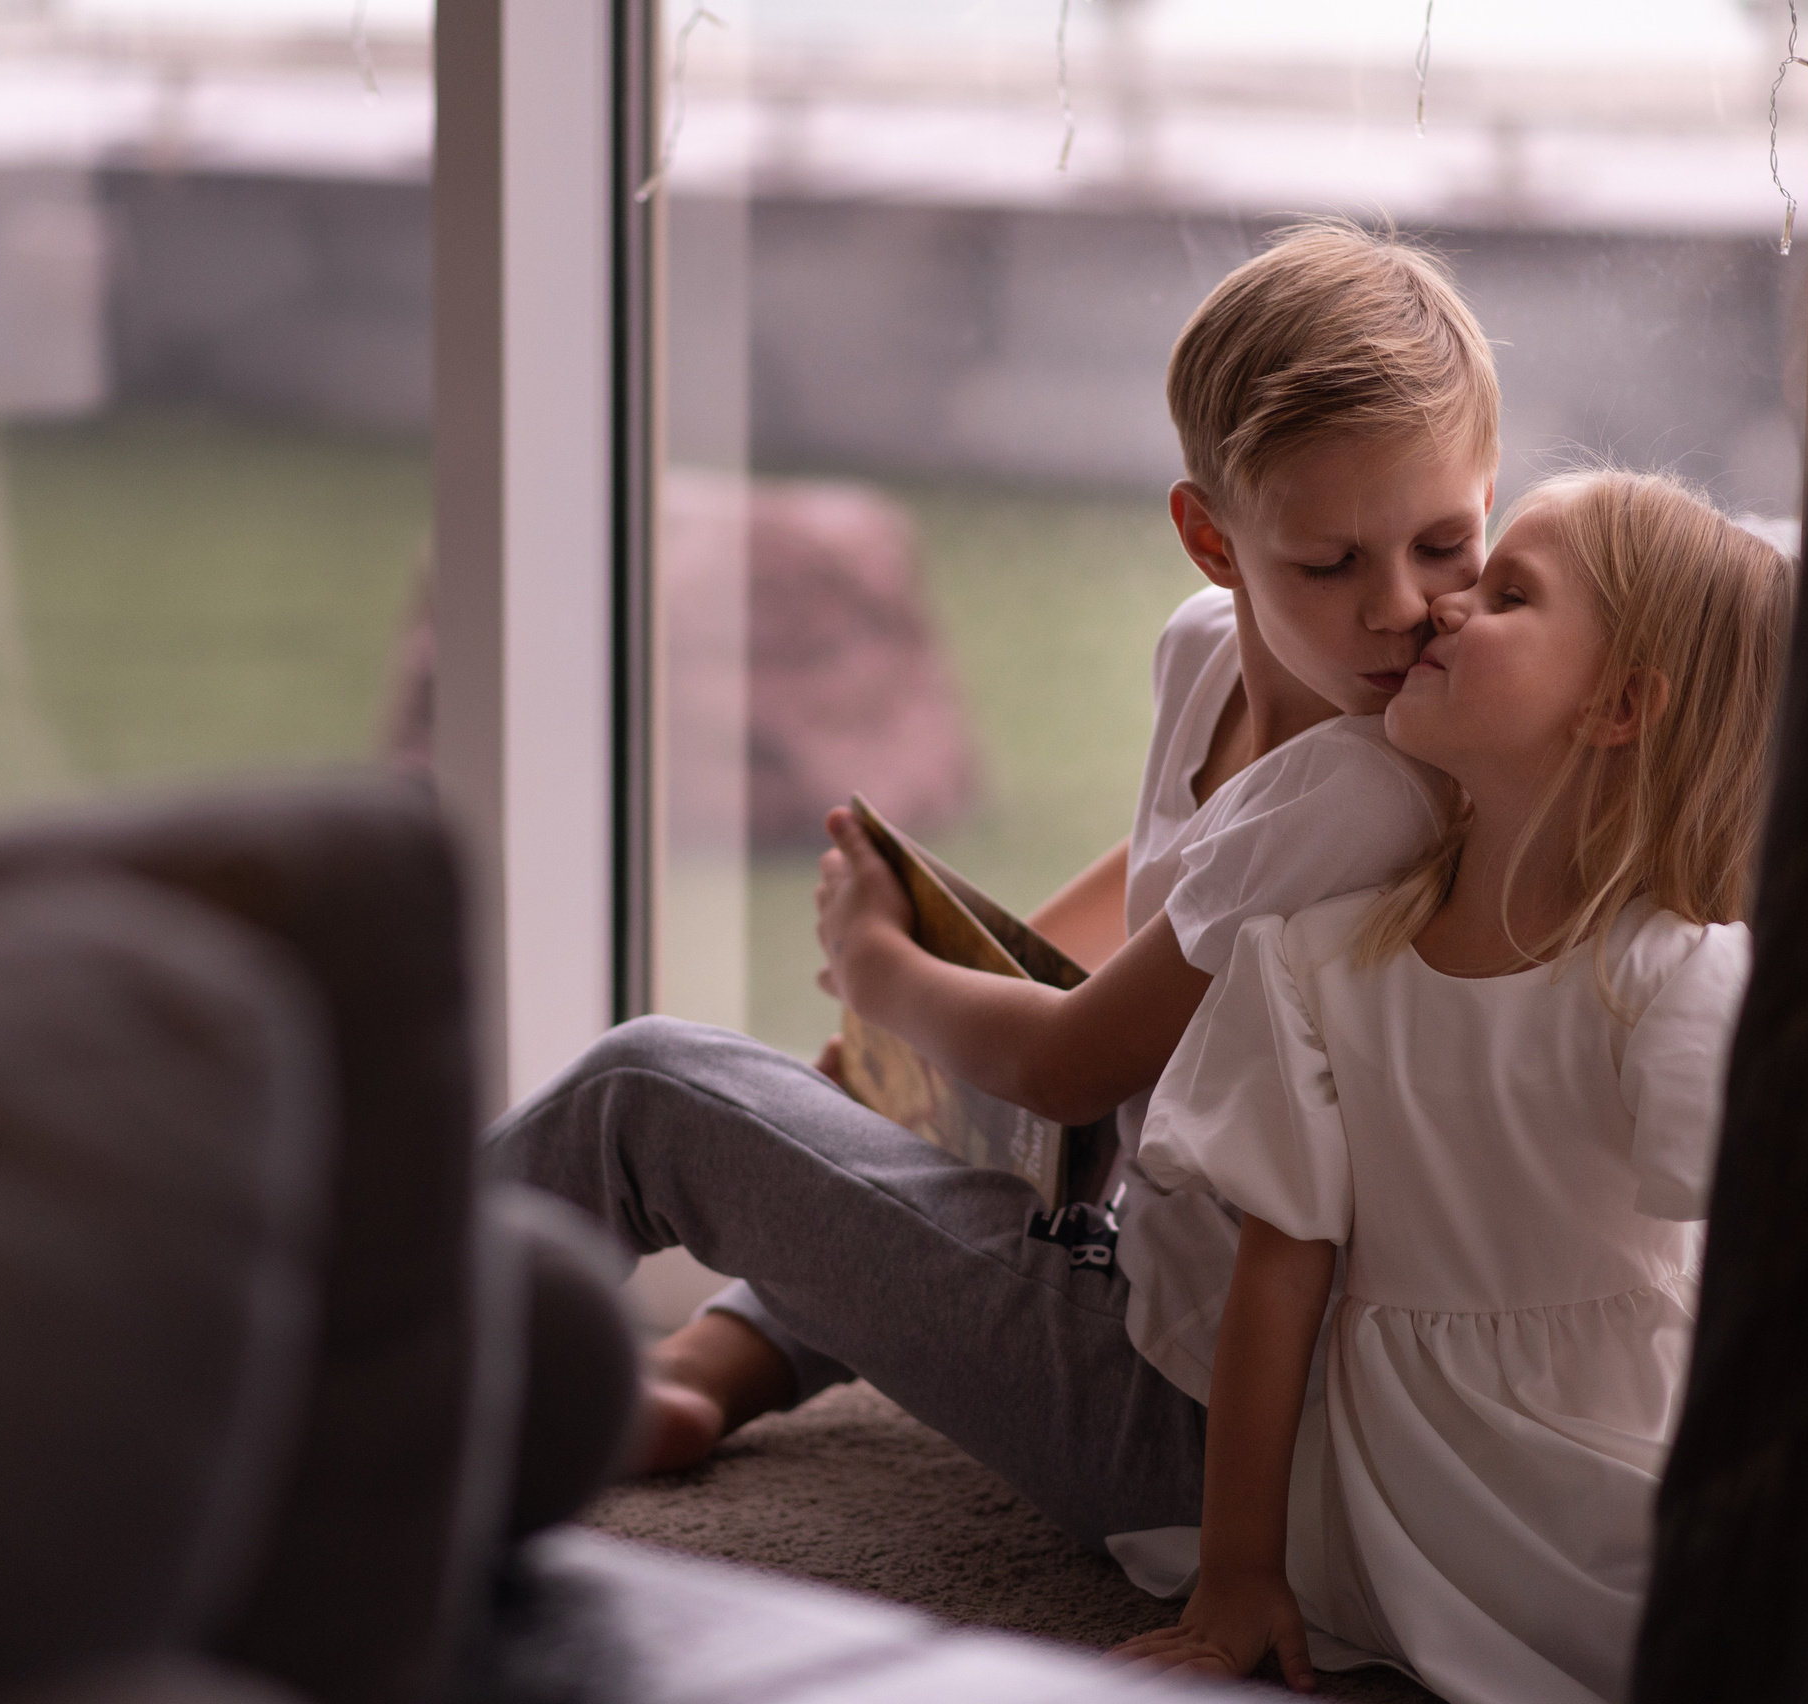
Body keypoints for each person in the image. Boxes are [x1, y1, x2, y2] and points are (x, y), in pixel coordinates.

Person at [485, 219, 1499, 1553]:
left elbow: (1074, 1065)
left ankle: (310, 1366)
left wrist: (878, 968)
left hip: (1206, 1422)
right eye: (1332, 561)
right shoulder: (1206, 658)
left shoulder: (1371, 781)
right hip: (1142, 1273)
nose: (1403, 609)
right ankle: (701, 1375)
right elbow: (1168, 876)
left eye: (1447, 545)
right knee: (910, 1099)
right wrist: (933, 982)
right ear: (1211, 540)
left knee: (646, 1090)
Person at [1106, 471, 1791, 1702]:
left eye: (1507, 592)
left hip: (1608, 1440)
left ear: (1621, 704)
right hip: (1391, 1477)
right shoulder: (1316, 963)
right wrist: (1237, 1575)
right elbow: (1278, 1273)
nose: (1446, 610)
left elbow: (1777, 1273)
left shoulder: (1668, 975)